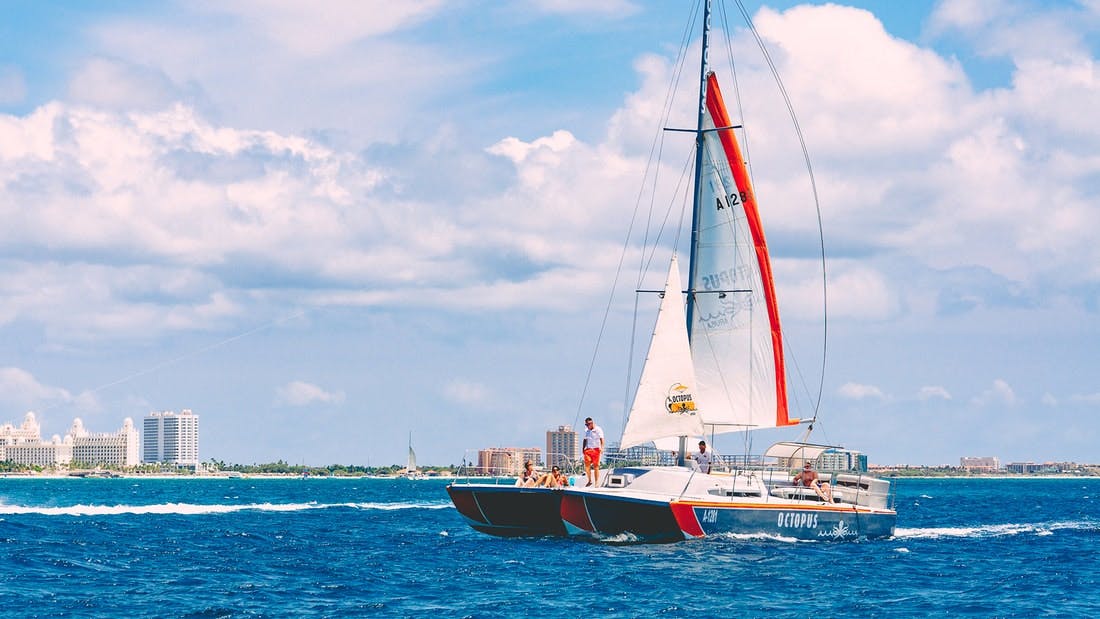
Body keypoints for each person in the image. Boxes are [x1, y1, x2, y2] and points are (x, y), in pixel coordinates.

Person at [582, 417, 604, 487]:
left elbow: (602, 439)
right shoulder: (586, 431)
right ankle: (589, 480)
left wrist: (602, 448)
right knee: (587, 464)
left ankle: (596, 482)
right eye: (586, 425)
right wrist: (583, 448)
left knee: (596, 466)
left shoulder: (598, 429)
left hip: (596, 449)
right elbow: (585, 440)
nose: (587, 426)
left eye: (588, 424)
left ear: (591, 423)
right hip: (588, 449)